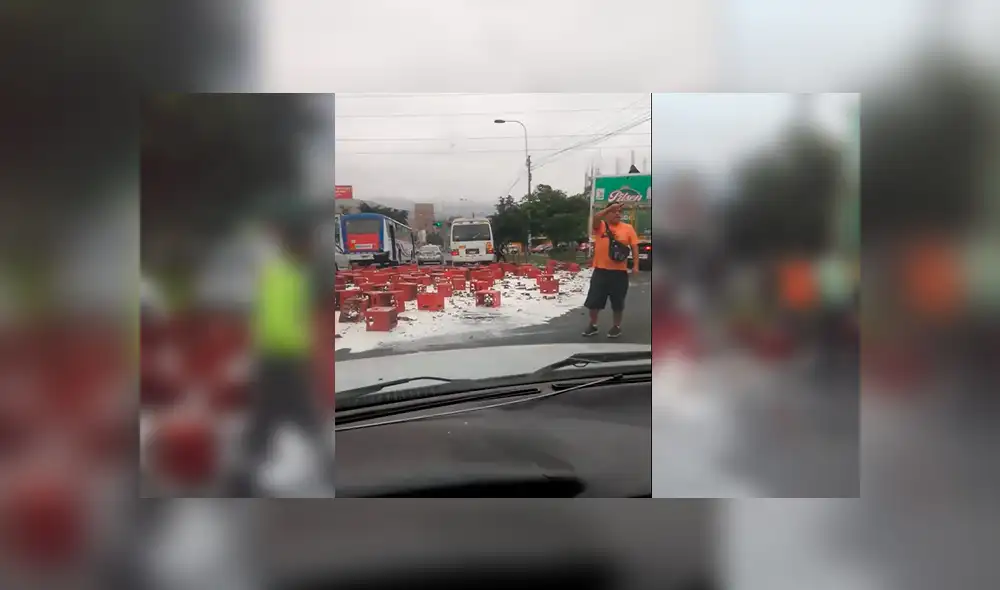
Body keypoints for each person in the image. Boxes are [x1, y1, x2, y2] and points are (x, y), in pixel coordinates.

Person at [240, 205, 335, 496]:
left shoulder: (283, 273)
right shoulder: (290, 275)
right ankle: (247, 469)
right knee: (289, 415)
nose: (311, 248)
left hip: (278, 361)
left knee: (276, 417)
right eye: (308, 242)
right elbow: (280, 324)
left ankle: (246, 468)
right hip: (284, 361)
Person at [583, 202, 640, 338]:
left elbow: (634, 247)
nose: (617, 214)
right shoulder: (600, 226)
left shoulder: (628, 228)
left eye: (619, 211)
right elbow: (595, 218)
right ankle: (593, 325)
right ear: (607, 213)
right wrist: (609, 208)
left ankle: (616, 326)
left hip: (619, 273)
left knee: (618, 303)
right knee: (594, 302)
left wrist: (636, 265)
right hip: (600, 271)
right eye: (614, 211)